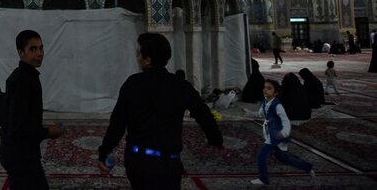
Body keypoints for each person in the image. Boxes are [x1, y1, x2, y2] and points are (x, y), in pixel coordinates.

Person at [97, 32, 224, 190]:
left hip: (138, 161)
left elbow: (117, 124)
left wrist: (104, 152)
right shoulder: (181, 86)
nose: (137, 58)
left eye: (139, 54)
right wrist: (216, 140)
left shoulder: (132, 84)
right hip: (168, 163)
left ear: (148, 60)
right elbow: (204, 115)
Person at [0, 30, 64, 190]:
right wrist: (48, 132)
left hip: (20, 153)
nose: (39, 53)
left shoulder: (26, 76)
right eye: (33, 49)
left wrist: (45, 128)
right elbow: (18, 128)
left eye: (41, 48)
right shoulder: (23, 81)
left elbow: (24, 119)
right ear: (21, 53)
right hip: (20, 156)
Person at [244, 79, 315, 185]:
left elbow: (286, 121)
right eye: (264, 87)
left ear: (275, 93)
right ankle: (307, 167)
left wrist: (284, 133)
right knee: (282, 157)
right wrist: (249, 113)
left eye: (269, 88)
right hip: (271, 133)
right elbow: (260, 115)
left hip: (275, 134)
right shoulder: (265, 102)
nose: (265, 90)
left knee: (261, 155)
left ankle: (264, 179)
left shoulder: (278, 106)